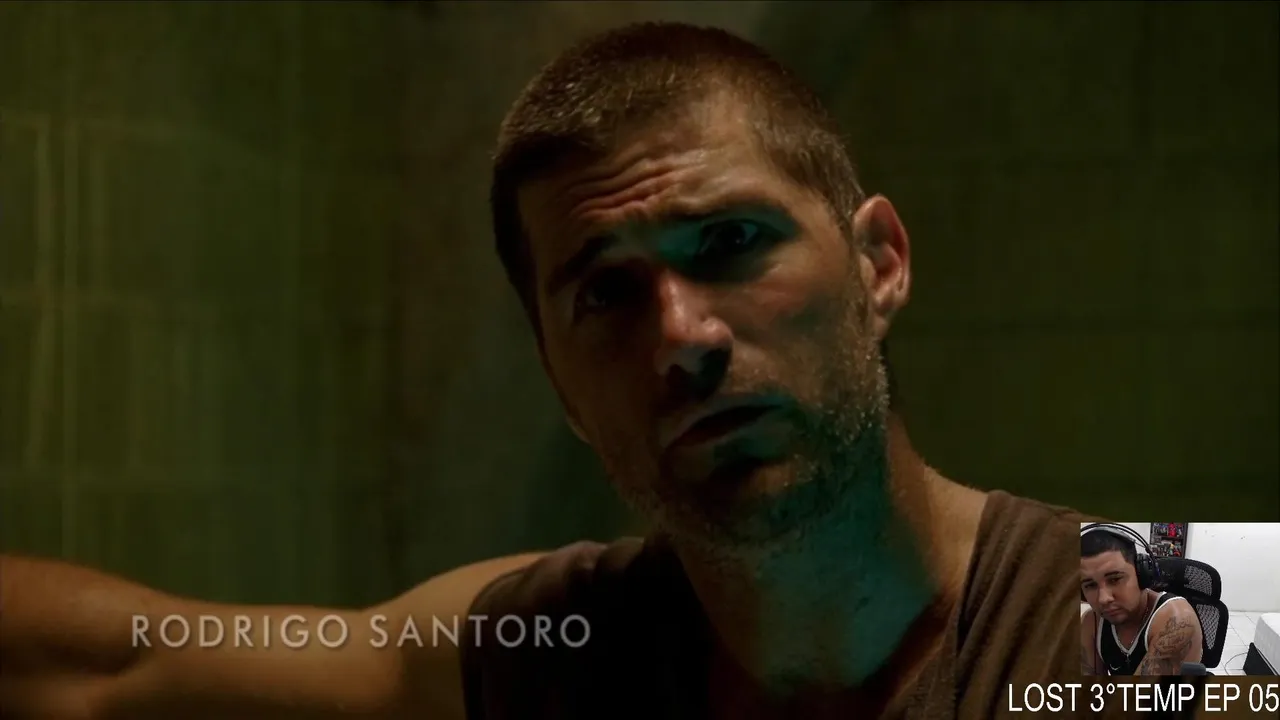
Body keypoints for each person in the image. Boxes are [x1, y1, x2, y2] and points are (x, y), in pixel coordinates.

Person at [0, 22, 1177, 720]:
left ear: (878, 263)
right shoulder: (550, 645)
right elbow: (124, 663)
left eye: (730, 241)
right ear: (561, 389)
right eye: (605, 294)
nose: (681, 334)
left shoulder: (1165, 620)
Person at [1079, 525, 1204, 676]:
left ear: (1141, 575)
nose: (1104, 599)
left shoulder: (1177, 622)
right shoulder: (1091, 622)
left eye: (1115, 579)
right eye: (1090, 585)